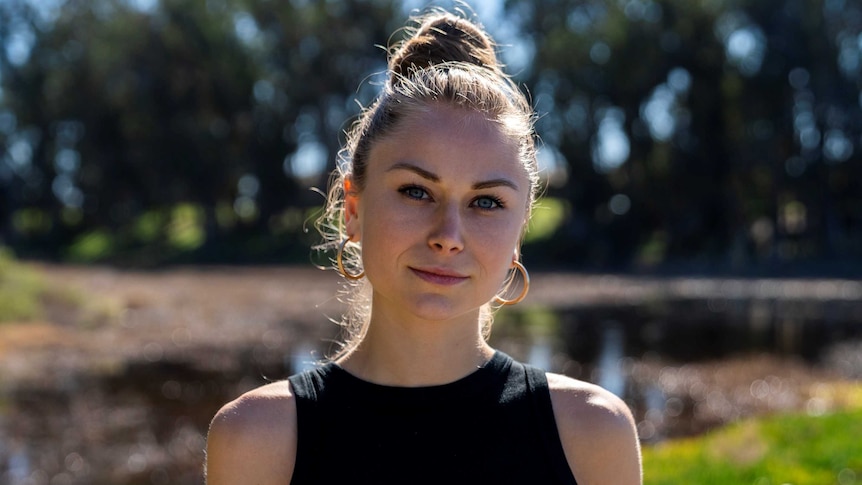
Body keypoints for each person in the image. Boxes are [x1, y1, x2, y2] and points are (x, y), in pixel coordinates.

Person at [205, 8, 642, 485]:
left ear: (519, 231)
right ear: (353, 210)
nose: (448, 236)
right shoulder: (256, 441)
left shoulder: (593, 434)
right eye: (416, 191)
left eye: (487, 202)